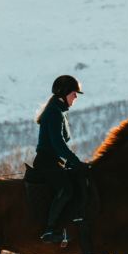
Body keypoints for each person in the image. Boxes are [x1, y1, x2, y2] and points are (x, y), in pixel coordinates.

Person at [34, 74, 87, 243]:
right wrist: (75, 162)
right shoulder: (54, 113)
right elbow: (58, 143)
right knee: (66, 189)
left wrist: (73, 162)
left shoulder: (58, 112)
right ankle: (49, 231)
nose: (76, 97)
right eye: (74, 93)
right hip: (47, 162)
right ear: (63, 93)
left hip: (55, 162)